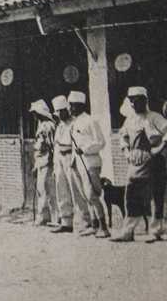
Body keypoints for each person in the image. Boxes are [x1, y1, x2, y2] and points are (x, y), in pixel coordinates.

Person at [111, 86, 167, 243]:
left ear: (145, 100)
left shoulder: (154, 117)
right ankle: (128, 231)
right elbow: (122, 136)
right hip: (135, 163)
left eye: (139, 100)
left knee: (155, 196)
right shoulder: (130, 119)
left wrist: (160, 148)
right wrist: (126, 152)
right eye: (132, 101)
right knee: (131, 196)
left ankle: (155, 231)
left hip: (153, 162)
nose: (135, 104)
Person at [67, 90, 110, 238]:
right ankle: (94, 225)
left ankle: (104, 227)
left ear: (79, 106)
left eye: (72, 106)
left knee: (92, 195)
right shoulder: (75, 123)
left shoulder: (91, 121)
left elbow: (101, 142)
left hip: (91, 163)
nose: (70, 109)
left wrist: (84, 149)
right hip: (78, 163)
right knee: (85, 195)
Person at [49, 95, 75, 234]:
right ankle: (66, 222)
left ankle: (84, 221)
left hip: (71, 158)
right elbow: (56, 147)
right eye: (57, 112)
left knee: (75, 190)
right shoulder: (59, 127)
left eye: (62, 111)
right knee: (62, 189)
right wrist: (55, 165)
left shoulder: (74, 124)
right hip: (60, 160)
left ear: (67, 110)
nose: (60, 114)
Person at [29, 99, 57, 226]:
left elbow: (51, 146)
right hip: (40, 160)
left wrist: (52, 161)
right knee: (41, 189)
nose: (34, 116)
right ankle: (44, 216)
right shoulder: (41, 125)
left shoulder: (48, 126)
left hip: (47, 161)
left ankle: (53, 216)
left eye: (35, 113)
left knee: (47, 189)